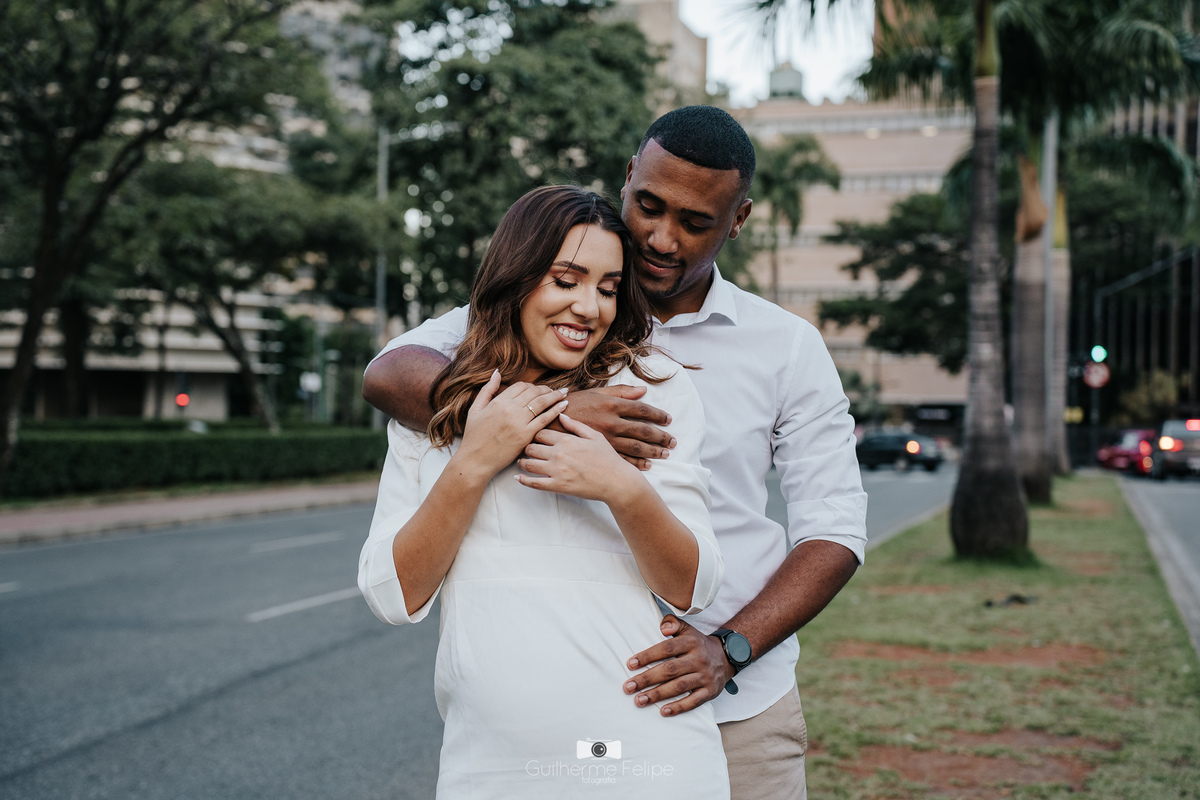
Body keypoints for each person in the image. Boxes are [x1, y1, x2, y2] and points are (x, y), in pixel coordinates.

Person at [363, 106, 868, 799]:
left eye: (695, 222)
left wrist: (730, 649)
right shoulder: (530, 310)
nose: (662, 237)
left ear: (738, 220)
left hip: (741, 703)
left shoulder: (784, 347)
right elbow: (390, 375)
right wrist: (561, 410)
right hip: (559, 725)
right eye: (650, 206)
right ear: (629, 178)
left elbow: (834, 530)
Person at [358, 185, 729, 798]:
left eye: (608, 288)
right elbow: (392, 595)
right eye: (565, 280)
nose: (589, 307)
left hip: (645, 757)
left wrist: (621, 487)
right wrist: (476, 459)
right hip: (490, 768)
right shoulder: (439, 405)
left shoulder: (647, 390)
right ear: (516, 277)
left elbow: (695, 586)